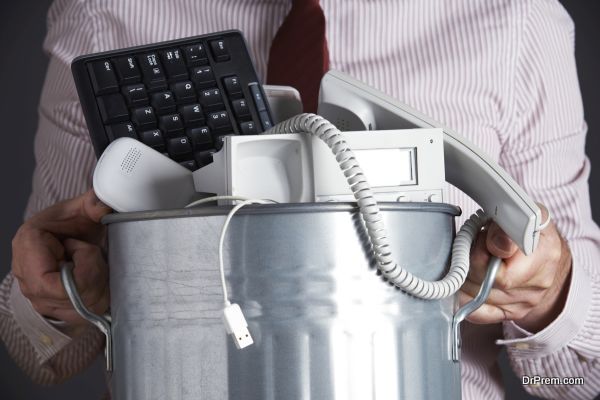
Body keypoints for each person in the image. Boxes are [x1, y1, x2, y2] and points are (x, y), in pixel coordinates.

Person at [2, 0, 599, 399]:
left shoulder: (518, 18)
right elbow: (42, 355)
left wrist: (552, 295)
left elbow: (586, 374)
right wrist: (62, 296)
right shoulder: (104, 12)